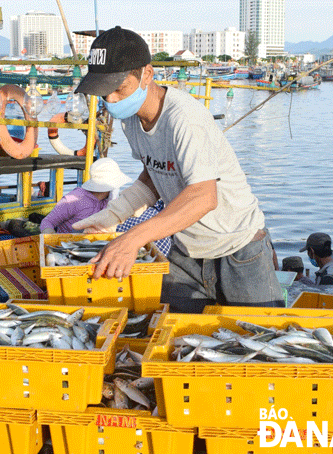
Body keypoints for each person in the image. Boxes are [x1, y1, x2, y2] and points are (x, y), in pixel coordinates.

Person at [72, 26, 283, 313]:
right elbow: (155, 172)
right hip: (188, 250)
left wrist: (132, 238)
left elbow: (203, 196)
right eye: (104, 92)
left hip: (239, 248)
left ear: (147, 74)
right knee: (177, 340)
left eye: (119, 89)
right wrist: (114, 214)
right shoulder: (131, 119)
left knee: (257, 339)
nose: (111, 101)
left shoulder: (184, 119)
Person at [40, 158, 131, 234]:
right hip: (70, 241)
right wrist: (54, 239)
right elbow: (47, 222)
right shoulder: (74, 199)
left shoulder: (110, 199)